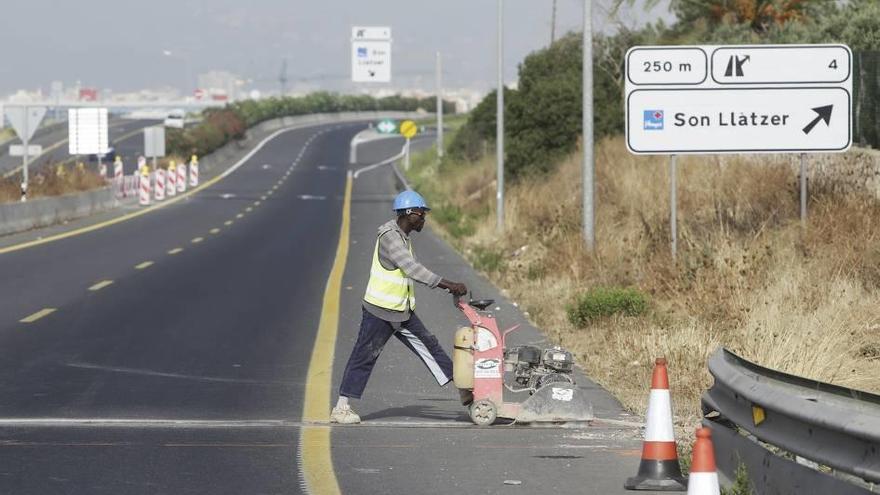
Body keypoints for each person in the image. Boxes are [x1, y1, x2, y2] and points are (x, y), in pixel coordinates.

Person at [330, 190, 470, 424]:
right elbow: (412, 269)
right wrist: (449, 285)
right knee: (364, 356)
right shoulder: (390, 238)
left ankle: (465, 391)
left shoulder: (403, 236)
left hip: (401, 311)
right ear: (409, 214)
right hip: (379, 311)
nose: (424, 218)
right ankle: (341, 408)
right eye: (421, 214)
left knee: (430, 347)